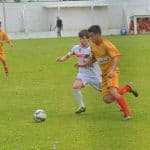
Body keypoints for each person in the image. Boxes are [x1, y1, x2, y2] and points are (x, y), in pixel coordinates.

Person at [86, 25, 139, 120]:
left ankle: (128, 113)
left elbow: (116, 57)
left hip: (112, 72)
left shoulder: (107, 44)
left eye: (91, 36)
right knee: (107, 99)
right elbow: (95, 57)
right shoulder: (92, 45)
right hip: (104, 74)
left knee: (113, 92)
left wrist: (111, 70)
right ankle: (127, 88)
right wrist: (87, 63)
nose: (90, 39)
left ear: (98, 34)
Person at [56, 29, 102, 113]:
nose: (82, 40)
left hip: (94, 74)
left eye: (84, 38)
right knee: (75, 87)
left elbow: (96, 59)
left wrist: (83, 64)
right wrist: (61, 59)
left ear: (88, 39)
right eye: (81, 38)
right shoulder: (76, 48)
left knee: (108, 94)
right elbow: (68, 55)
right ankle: (82, 106)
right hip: (83, 74)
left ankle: (126, 89)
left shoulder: (93, 48)